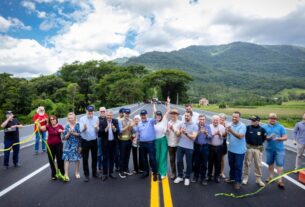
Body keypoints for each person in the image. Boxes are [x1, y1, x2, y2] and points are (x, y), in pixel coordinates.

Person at [263, 113, 288, 189]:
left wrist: (278, 138)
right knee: (270, 163)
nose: (273, 119)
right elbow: (263, 137)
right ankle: (271, 177)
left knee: (280, 164)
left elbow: (285, 137)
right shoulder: (264, 127)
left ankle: (280, 180)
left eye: (274, 118)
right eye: (271, 118)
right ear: (268, 119)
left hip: (279, 149)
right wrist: (268, 137)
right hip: (269, 149)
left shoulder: (281, 127)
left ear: (276, 119)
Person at [174, 111, 198, 186]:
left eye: (187, 116)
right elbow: (177, 135)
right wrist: (180, 132)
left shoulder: (195, 126)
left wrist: (186, 133)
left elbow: (194, 137)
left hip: (189, 147)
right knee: (179, 161)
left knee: (189, 163)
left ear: (191, 116)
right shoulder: (181, 124)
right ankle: (180, 176)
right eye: (185, 116)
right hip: (180, 146)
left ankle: (187, 177)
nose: (186, 117)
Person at [242, 115, 267, 187]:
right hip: (249, 148)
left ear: (258, 121)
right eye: (251, 120)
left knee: (258, 165)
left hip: (258, 149)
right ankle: (245, 178)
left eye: (253, 120)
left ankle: (258, 179)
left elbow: (264, 138)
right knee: (247, 163)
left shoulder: (262, 129)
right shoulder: (247, 128)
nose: (252, 121)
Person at [225, 111, 246, 190]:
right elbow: (228, 135)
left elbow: (240, 136)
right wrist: (226, 132)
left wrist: (230, 131)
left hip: (240, 151)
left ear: (239, 118)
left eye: (236, 117)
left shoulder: (242, 126)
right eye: (233, 117)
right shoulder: (230, 125)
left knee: (238, 166)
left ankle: (237, 181)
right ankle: (232, 178)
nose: (234, 118)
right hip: (231, 149)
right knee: (231, 165)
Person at [40, 115, 65, 180]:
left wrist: (62, 131)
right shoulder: (48, 126)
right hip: (50, 145)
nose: (53, 120)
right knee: (51, 160)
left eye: (54, 119)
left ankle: (62, 173)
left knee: (60, 159)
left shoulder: (60, 126)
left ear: (56, 119)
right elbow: (41, 129)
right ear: (49, 121)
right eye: (51, 119)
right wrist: (38, 123)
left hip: (59, 144)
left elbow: (65, 133)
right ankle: (53, 174)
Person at [136, 109, 158, 181]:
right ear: (140, 116)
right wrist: (137, 139)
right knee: (144, 159)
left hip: (150, 143)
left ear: (146, 115)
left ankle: (154, 173)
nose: (143, 116)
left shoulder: (151, 121)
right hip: (142, 143)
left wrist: (154, 111)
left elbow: (155, 118)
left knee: (152, 158)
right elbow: (138, 133)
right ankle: (146, 172)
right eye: (142, 115)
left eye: (144, 115)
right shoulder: (139, 123)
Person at [79, 105, 99, 182]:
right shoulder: (82, 119)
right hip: (85, 141)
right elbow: (81, 130)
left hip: (94, 140)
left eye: (91, 111)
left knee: (94, 158)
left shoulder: (96, 118)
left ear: (93, 111)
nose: (90, 113)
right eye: (88, 111)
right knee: (85, 159)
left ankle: (94, 173)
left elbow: (98, 131)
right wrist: (84, 128)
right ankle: (86, 175)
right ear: (86, 111)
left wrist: (97, 127)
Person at [99, 109, 119, 181]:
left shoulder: (115, 121)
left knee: (112, 158)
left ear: (112, 115)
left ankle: (111, 172)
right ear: (106, 115)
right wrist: (106, 129)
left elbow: (118, 131)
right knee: (105, 158)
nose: (109, 117)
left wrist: (114, 129)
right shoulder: (102, 122)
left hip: (113, 143)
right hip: (105, 144)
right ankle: (104, 174)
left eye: (110, 115)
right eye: (108, 115)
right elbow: (99, 133)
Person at [192, 114, 212, 185]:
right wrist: (199, 132)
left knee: (204, 163)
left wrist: (206, 133)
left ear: (205, 120)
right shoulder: (195, 126)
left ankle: (203, 177)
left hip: (205, 147)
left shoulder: (208, 126)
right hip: (197, 146)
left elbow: (210, 137)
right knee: (196, 162)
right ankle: (196, 176)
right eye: (200, 119)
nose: (202, 121)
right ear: (198, 120)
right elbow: (193, 137)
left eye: (203, 119)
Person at [154, 97, 170, 179]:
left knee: (163, 156)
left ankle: (163, 172)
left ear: (161, 116)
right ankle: (156, 170)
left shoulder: (163, 119)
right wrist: (153, 104)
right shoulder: (154, 121)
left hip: (163, 140)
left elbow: (168, 111)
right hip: (156, 141)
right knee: (156, 157)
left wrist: (168, 102)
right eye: (157, 115)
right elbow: (154, 110)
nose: (158, 116)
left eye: (159, 115)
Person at [62, 112, 82, 181]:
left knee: (77, 159)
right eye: (69, 118)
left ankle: (76, 172)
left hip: (77, 144)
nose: (71, 119)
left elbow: (80, 135)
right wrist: (68, 133)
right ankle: (66, 174)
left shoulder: (78, 125)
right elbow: (64, 138)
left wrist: (73, 133)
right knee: (67, 159)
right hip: (69, 145)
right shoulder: (66, 126)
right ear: (68, 119)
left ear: (75, 118)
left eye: (72, 118)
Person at [208, 115, 226, 183]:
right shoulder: (209, 126)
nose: (215, 121)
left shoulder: (222, 127)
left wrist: (220, 134)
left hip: (219, 147)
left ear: (219, 120)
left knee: (218, 162)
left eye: (217, 120)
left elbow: (224, 138)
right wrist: (214, 134)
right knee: (210, 162)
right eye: (214, 120)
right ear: (212, 120)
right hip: (210, 146)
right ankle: (209, 175)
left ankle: (216, 176)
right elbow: (208, 137)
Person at [167, 109, 182, 180]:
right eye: (172, 114)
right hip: (170, 144)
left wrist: (173, 129)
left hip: (178, 144)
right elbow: (167, 133)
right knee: (172, 160)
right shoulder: (169, 122)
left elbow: (179, 135)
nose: (173, 115)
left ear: (177, 115)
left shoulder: (180, 123)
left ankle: (180, 174)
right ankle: (173, 173)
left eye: (175, 114)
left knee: (179, 160)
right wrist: (167, 130)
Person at [118, 108, 133, 178]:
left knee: (127, 156)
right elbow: (120, 130)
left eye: (128, 113)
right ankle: (121, 171)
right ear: (123, 113)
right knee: (122, 156)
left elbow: (132, 130)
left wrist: (133, 126)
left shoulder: (131, 120)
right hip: (122, 141)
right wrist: (128, 126)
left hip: (129, 140)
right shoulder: (120, 120)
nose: (127, 115)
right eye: (126, 113)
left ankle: (126, 169)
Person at [97, 107, 107, 172]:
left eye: (103, 111)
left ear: (105, 111)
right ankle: (99, 166)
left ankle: (105, 165)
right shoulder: (97, 119)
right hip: (99, 137)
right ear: (99, 112)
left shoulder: (108, 118)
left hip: (107, 138)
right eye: (101, 111)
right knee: (99, 153)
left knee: (106, 153)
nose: (102, 112)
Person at [219, 113, 228, 179]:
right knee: (214, 158)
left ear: (225, 120)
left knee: (222, 159)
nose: (221, 120)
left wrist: (225, 128)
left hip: (223, 143)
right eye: (220, 118)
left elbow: (225, 136)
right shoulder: (216, 124)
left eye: (223, 119)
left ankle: (221, 172)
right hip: (215, 144)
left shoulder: (226, 126)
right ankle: (214, 171)